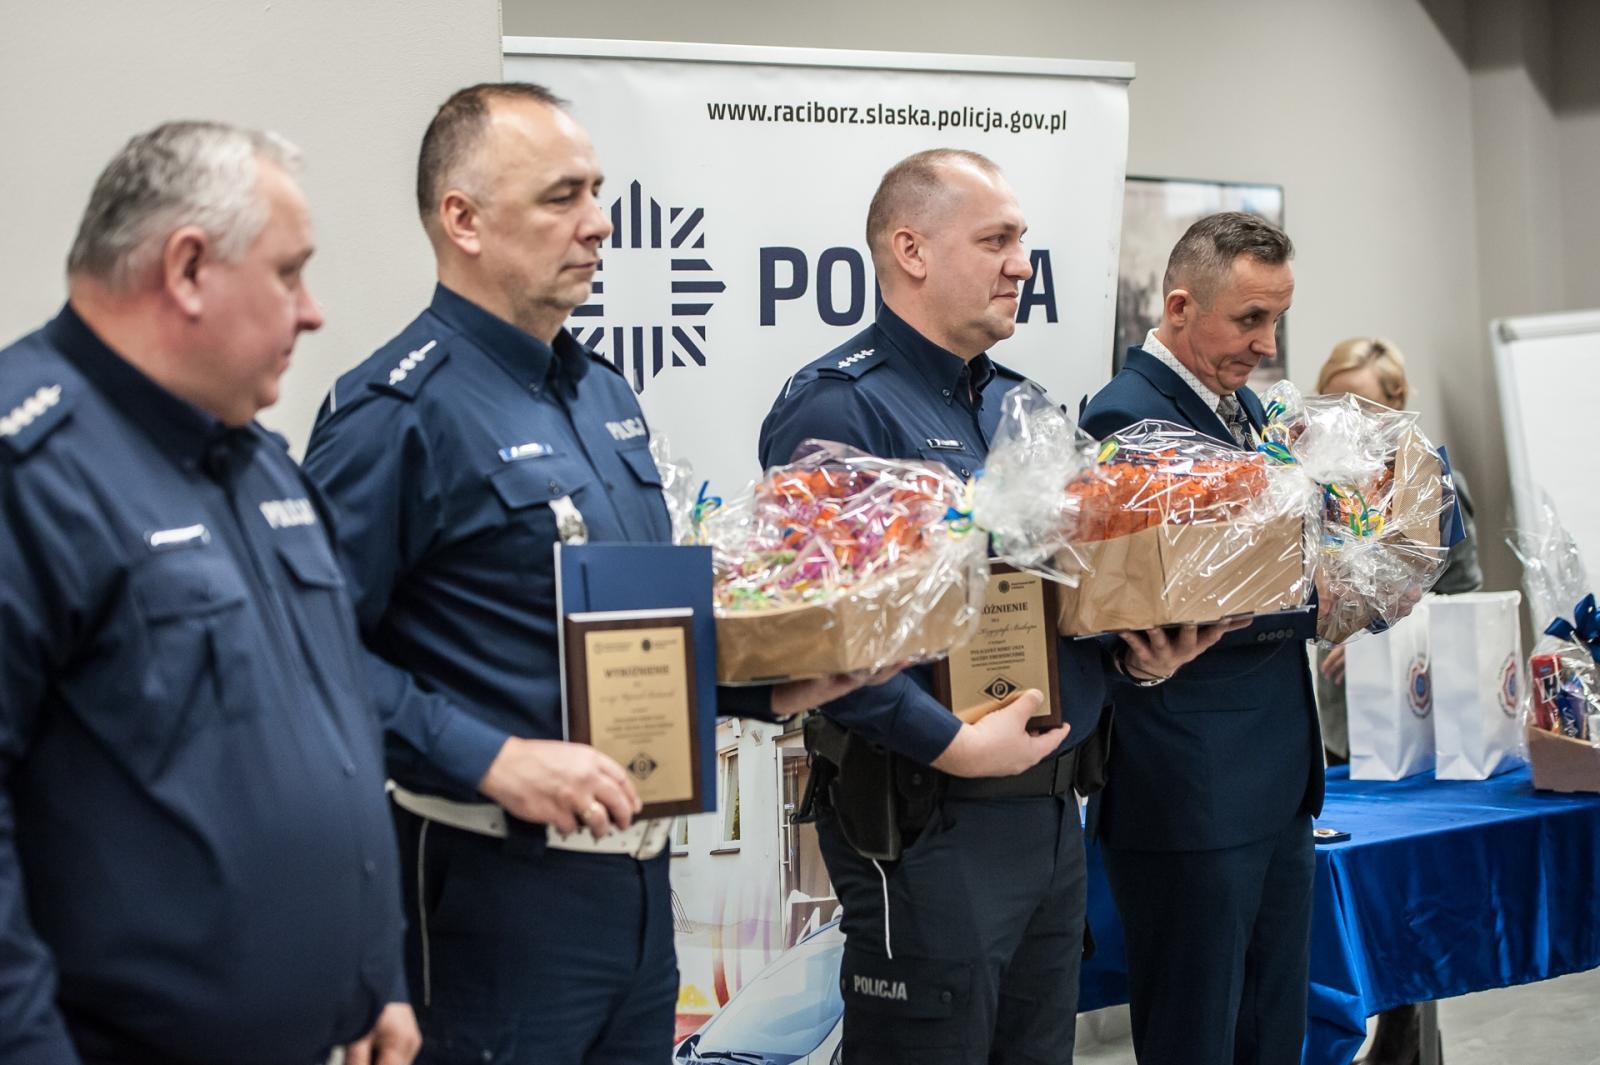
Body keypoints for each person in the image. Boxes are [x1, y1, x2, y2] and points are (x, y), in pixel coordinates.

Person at [301, 82, 880, 1065]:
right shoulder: (396, 414)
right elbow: (303, 659)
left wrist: (766, 686)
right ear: (464, 219)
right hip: (492, 891)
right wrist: (486, 753)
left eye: (598, 191)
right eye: (561, 196)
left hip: (639, 885)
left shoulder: (602, 393)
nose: (600, 223)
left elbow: (623, 639)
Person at [758, 148, 1237, 1064]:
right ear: (912, 249)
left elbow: (1063, 597)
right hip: (929, 816)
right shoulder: (841, 407)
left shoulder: (1025, 410)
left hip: (1052, 817)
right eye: (998, 239)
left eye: (1024, 240)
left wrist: (1139, 654)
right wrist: (953, 744)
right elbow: (819, 632)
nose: (1023, 263)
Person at [0, 122, 418, 1065]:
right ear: (187, 269)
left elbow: (332, 727)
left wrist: (373, 975)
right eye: (289, 273)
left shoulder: (263, 467)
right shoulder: (30, 471)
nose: (313, 312)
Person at [1078, 212, 1324, 1065]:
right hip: (1193, 790)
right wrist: (1336, 590)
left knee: (1270, 1034)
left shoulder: (1246, 407)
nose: (1266, 342)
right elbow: (1198, 590)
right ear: (1179, 307)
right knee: (1198, 1039)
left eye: (1277, 319)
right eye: (1248, 319)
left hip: (1273, 782)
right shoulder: (1127, 418)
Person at [1315, 337, 1478, 1065]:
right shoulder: (1309, 485)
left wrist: (1390, 636)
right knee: (1337, 905)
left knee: (1404, 909)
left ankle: (1409, 1051)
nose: (1356, 418)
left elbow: (1466, 606)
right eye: (1341, 401)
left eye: (1370, 402)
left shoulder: (1433, 484)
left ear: (1400, 403)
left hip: (1404, 725)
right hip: (1320, 728)